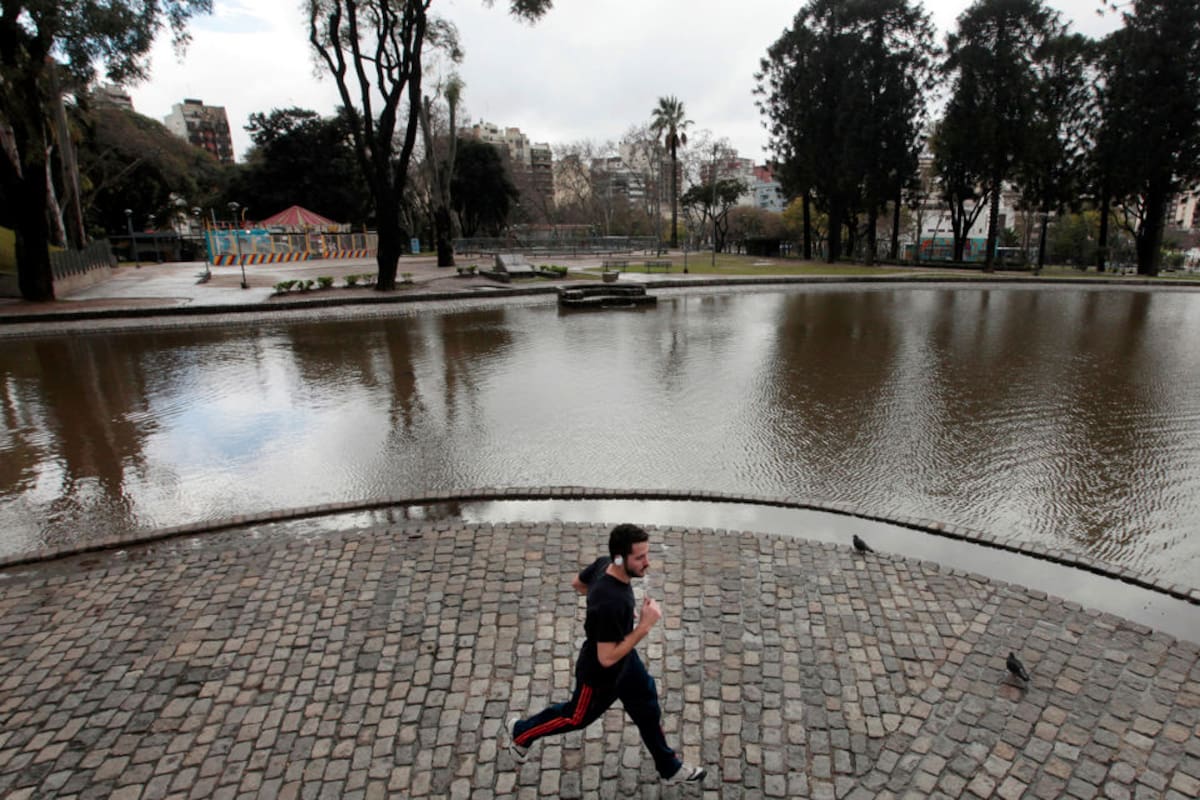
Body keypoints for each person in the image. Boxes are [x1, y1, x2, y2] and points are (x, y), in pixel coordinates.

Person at [500, 523, 707, 784]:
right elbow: (606, 658)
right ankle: (520, 733)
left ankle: (669, 768)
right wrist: (643, 626)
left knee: (646, 704)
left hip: (625, 663)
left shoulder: (603, 565)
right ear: (620, 558)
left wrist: (612, 620)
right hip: (600, 676)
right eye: (640, 557)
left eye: (647, 554)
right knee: (575, 717)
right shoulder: (613, 601)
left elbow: (578, 583)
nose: (647, 563)